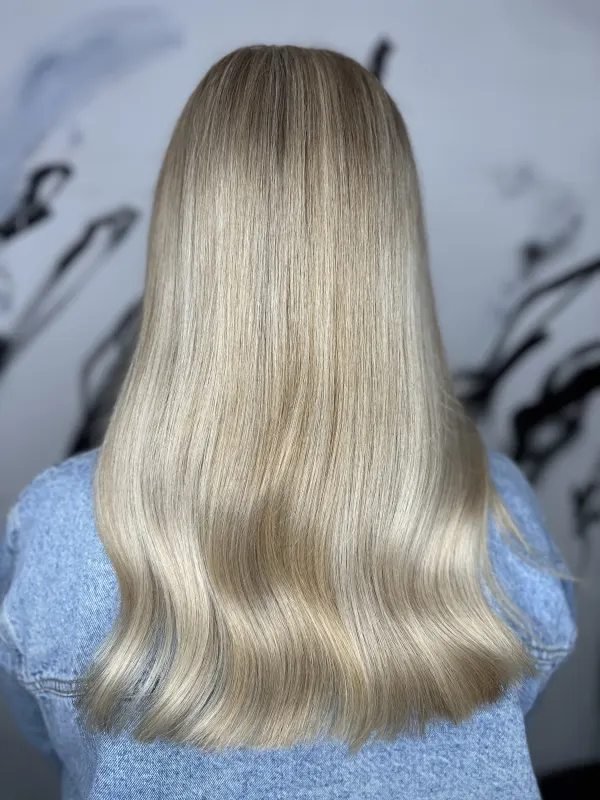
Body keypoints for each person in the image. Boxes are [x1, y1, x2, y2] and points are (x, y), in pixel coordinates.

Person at [0, 45, 576, 800]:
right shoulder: (499, 515)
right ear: (390, 244)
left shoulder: (64, 526)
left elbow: (59, 743)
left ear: (187, 236)